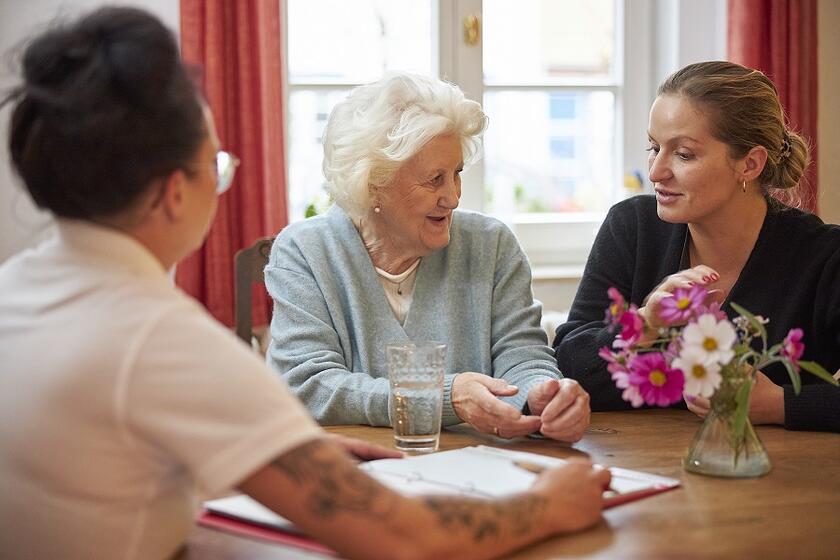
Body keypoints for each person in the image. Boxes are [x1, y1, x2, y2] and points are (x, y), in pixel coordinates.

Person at [0, 7, 611, 560]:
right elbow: (400, 536)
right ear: (170, 192)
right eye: (216, 166)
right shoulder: (163, 340)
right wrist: (549, 506)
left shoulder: (17, 291)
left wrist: (294, 454)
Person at [266, 72, 590, 442]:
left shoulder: (491, 245)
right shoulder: (305, 253)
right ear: (374, 183)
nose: (452, 197)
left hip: (480, 472)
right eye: (434, 179)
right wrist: (441, 396)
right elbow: (308, 387)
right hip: (354, 474)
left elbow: (522, 355)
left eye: (456, 174)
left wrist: (542, 396)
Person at [554, 60, 840, 433]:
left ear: (750, 164)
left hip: (781, 479)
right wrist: (645, 325)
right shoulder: (632, 227)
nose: (656, 171)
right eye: (654, 147)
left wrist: (777, 404)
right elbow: (567, 366)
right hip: (638, 471)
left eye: (684, 154)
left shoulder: (822, 256)